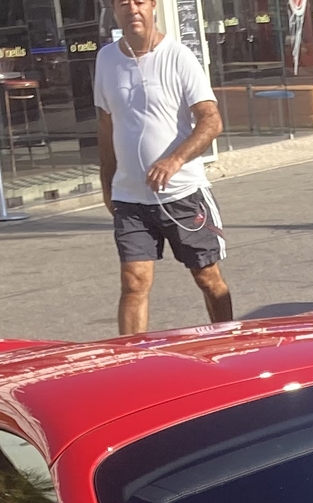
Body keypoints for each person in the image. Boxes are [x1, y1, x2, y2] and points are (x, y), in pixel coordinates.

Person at [95, 0, 230, 334]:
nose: (132, 9)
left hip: (183, 194)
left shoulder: (178, 56)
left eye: (139, 1)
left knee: (207, 278)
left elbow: (211, 121)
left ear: (153, 6)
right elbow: (105, 126)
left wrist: (175, 159)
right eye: (123, 3)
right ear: (114, 9)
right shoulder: (106, 59)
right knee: (134, 282)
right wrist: (108, 183)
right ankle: (132, 364)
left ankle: (229, 342)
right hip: (131, 197)